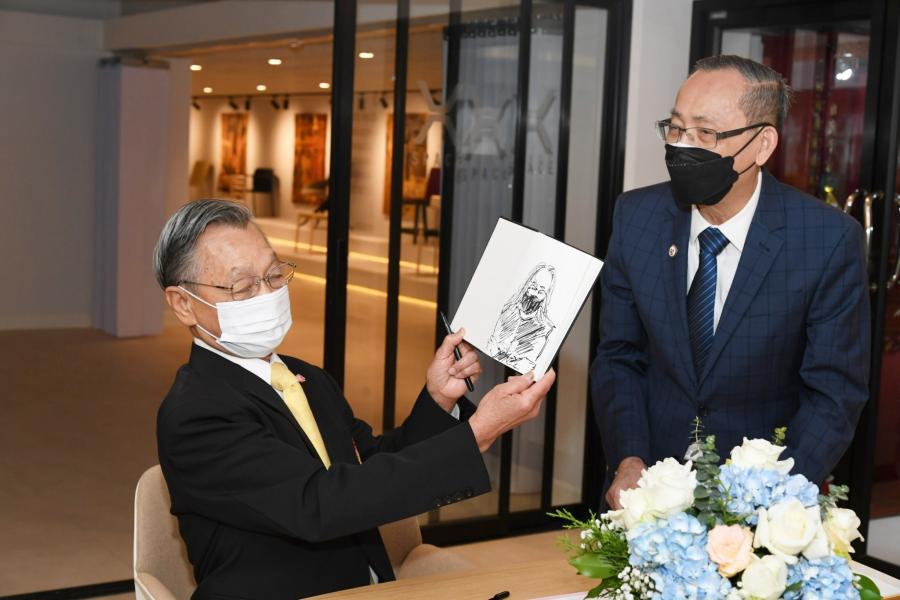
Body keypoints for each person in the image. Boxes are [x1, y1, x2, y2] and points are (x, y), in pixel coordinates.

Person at [153, 199, 556, 599]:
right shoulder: (195, 413)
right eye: (242, 287)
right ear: (183, 304)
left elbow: (371, 465)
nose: (267, 294)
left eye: (274, 275)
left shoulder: (308, 377)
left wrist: (439, 402)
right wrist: (476, 435)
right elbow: (319, 504)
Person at [590, 55, 870, 510]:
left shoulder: (826, 240)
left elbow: (834, 394)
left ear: (762, 145)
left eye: (706, 133)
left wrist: (771, 502)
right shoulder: (636, 217)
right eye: (675, 128)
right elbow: (619, 357)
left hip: (763, 504)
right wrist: (629, 459)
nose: (682, 146)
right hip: (645, 496)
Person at [487, 263, 557, 372]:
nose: (534, 294)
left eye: (541, 291)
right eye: (533, 287)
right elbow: (490, 346)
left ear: (546, 296)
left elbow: (525, 366)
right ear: (526, 285)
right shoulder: (507, 310)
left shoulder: (545, 329)